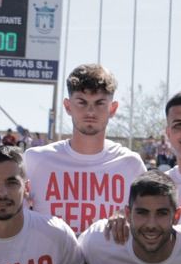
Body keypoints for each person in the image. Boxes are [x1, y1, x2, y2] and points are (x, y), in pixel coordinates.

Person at [23, 63, 144, 233]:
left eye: (100, 103)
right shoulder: (36, 160)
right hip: (53, 259)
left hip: (107, 259)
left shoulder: (131, 164)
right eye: (82, 102)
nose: (90, 111)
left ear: (113, 108)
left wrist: (128, 217)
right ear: (67, 106)